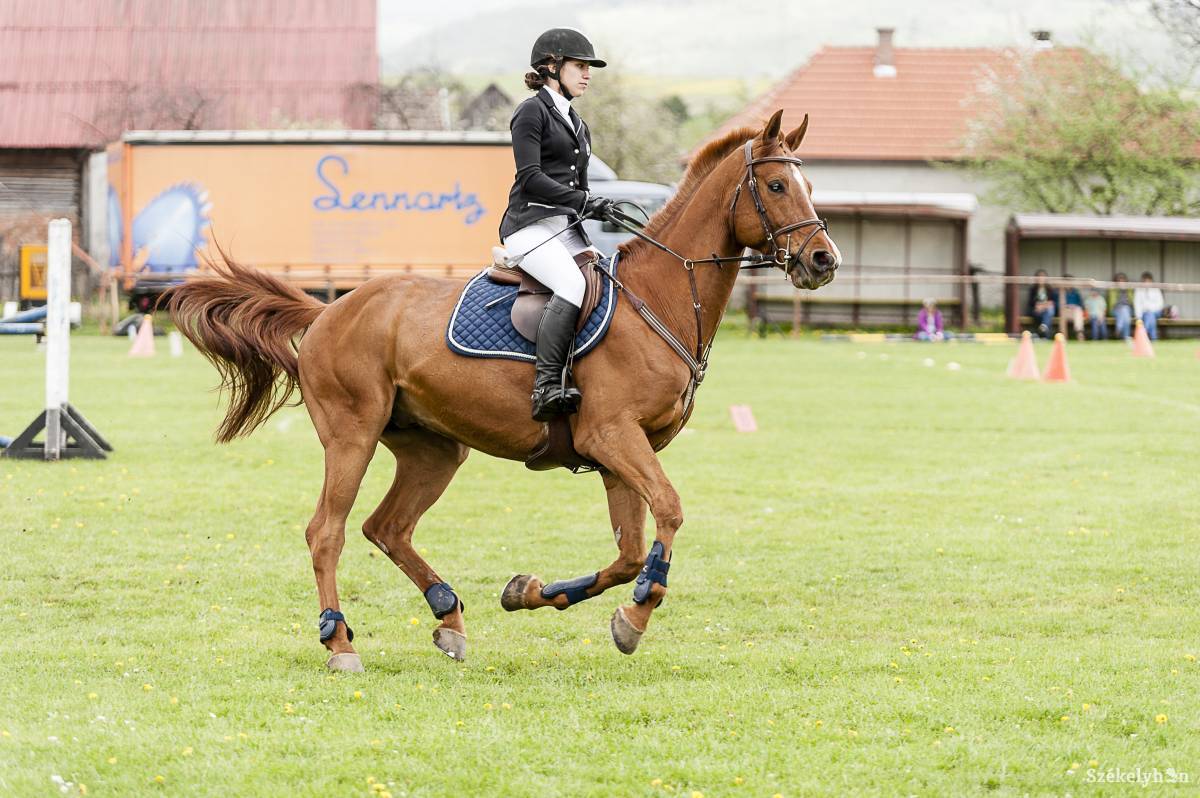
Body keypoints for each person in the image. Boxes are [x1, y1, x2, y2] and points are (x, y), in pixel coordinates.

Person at [498, 28, 613, 421]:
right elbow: (530, 176)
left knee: (609, 277)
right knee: (572, 284)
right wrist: (582, 199)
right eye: (580, 66)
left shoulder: (578, 124)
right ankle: (546, 385)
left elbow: (577, 186)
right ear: (551, 66)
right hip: (527, 226)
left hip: (564, 229)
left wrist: (594, 208)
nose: (587, 74)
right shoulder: (531, 112)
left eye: (588, 68)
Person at [1134, 271, 1165, 340]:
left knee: (1150, 314)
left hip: (1156, 312)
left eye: (1148, 281)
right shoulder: (1138, 290)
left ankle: (1144, 335)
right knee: (1150, 317)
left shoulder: (1156, 289)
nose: (1146, 283)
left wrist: (1150, 308)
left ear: (1151, 281)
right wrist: (1138, 317)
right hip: (1144, 313)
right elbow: (1137, 304)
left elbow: (1160, 304)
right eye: (1144, 281)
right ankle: (1153, 338)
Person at [1027, 270, 1056, 338]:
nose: (1041, 278)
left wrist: (1043, 306)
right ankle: (1044, 331)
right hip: (1036, 310)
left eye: (1043, 277)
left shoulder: (1050, 289)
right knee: (1047, 314)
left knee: (1049, 310)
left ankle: (1043, 328)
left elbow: (1052, 302)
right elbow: (1031, 302)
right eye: (1039, 277)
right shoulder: (1033, 289)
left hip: (1047, 309)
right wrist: (1037, 306)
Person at [1108, 272, 1134, 340]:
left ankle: (1119, 328)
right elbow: (1113, 303)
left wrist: (1126, 289)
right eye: (1119, 281)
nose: (1121, 282)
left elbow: (1131, 302)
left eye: (1123, 280)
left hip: (1128, 309)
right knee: (1124, 313)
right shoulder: (1113, 289)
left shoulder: (1129, 289)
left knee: (1125, 311)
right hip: (1115, 310)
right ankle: (1126, 337)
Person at [1060, 275, 1085, 341]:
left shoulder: (1076, 292)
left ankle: (1079, 332)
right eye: (1067, 281)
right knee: (1063, 311)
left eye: (1070, 281)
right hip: (1064, 311)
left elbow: (1081, 304)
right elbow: (1059, 305)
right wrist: (1067, 306)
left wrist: (1074, 306)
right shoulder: (1060, 292)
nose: (1069, 283)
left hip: (1075, 312)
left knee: (1078, 310)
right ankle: (1064, 337)